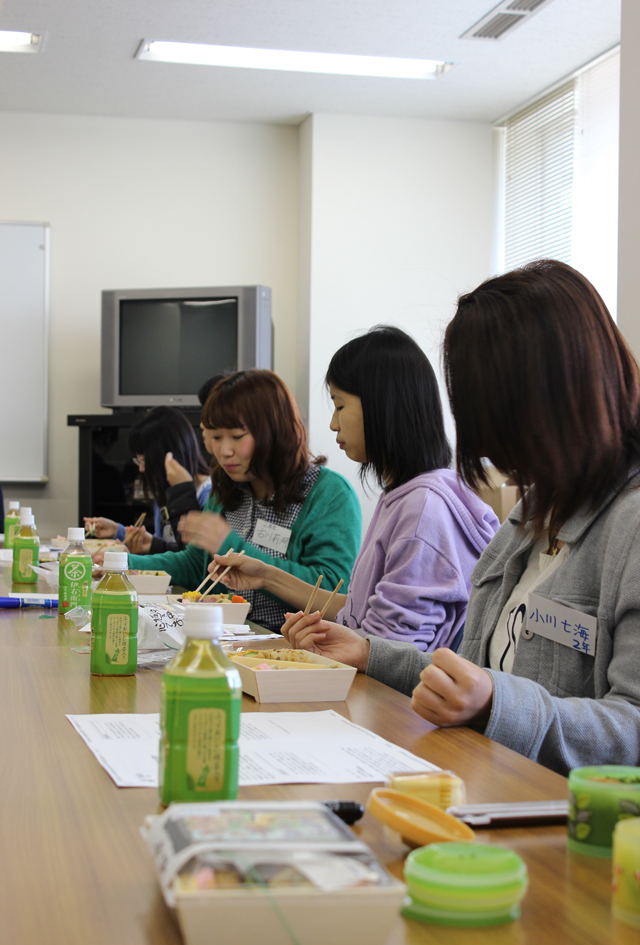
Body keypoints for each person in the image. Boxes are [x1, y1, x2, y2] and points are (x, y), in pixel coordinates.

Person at [283, 261, 640, 776]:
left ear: (552, 393)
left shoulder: (627, 525)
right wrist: (369, 653)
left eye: (490, 411)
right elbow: (472, 678)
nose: (485, 440)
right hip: (490, 790)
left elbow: (629, 727)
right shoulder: (533, 513)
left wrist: (498, 703)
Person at [214, 327, 498, 650]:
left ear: (381, 405)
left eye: (339, 405)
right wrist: (266, 576)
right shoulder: (403, 495)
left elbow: (386, 654)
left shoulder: (422, 508)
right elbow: (358, 613)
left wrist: (318, 646)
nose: (334, 423)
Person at [123, 369, 361, 631]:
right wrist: (121, 563)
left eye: (237, 436)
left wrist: (230, 544)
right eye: (215, 437)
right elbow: (196, 565)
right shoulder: (227, 485)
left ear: (274, 430)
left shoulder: (328, 494)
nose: (224, 451)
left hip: (288, 651)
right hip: (223, 636)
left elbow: (330, 593)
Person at [85, 406, 211, 554]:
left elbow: (194, 560)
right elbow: (167, 548)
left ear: (170, 455)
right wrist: (118, 531)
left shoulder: (207, 495)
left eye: (144, 460)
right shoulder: (165, 492)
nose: (141, 469)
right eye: (139, 461)